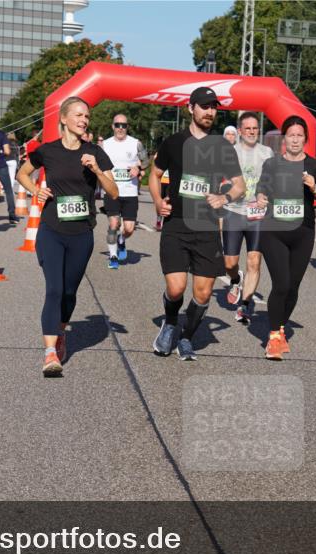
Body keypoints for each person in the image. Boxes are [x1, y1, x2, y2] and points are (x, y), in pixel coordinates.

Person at [16, 96, 116, 377]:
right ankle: (50, 353)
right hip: (51, 230)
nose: (84, 120)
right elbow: (23, 173)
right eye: (79, 115)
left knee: (69, 292)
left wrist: (96, 169)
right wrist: (36, 190)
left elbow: (114, 191)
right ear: (63, 118)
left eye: (87, 116)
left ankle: (60, 331)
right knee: (54, 289)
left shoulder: (95, 152)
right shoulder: (47, 151)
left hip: (81, 233)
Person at [148, 86, 245, 361]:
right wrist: (157, 201)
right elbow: (154, 174)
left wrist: (224, 197)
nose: (210, 112)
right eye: (204, 106)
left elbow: (240, 185)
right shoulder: (173, 143)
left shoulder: (222, 147)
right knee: (176, 288)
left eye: (214, 107)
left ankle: (186, 337)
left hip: (207, 229)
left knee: (202, 294)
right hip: (176, 225)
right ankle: (169, 323)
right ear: (190, 108)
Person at [255, 116, 316, 359]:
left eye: (300, 135)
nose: (296, 140)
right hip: (274, 232)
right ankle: (274, 338)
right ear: (284, 138)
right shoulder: (272, 164)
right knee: (281, 284)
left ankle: (279, 326)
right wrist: (260, 198)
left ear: (306, 139)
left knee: (293, 287)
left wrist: (314, 187)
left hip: (303, 233)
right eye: (291, 135)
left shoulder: (314, 166)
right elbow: (261, 188)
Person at [222, 111, 273, 324]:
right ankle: (235, 279)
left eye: (255, 128)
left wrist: (267, 196)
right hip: (234, 211)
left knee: (254, 261)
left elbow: (273, 179)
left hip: (257, 214)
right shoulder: (230, 152)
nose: (252, 132)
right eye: (248, 129)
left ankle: (245, 304)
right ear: (240, 131)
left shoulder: (267, 152)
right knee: (229, 263)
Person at [101, 113, 148, 269]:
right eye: (117, 125)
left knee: (129, 228)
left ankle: (121, 240)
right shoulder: (104, 145)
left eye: (124, 125)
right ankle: (113, 256)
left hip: (130, 192)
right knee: (113, 224)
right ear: (112, 126)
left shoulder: (135, 143)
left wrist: (138, 168)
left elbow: (146, 161)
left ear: (127, 127)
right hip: (111, 191)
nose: (120, 128)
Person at [0, 112, 19, 223]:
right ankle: (12, 215)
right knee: (8, 190)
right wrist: (1, 154)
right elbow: (7, 151)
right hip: (1, 164)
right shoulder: (1, 134)